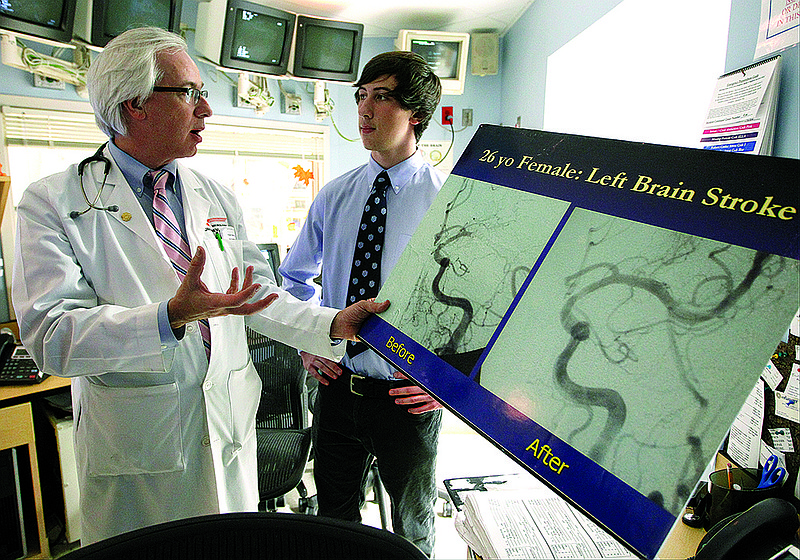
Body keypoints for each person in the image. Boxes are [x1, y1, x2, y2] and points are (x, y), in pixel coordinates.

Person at [10, 27, 386, 546]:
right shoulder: (51, 202)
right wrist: (168, 317)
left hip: (227, 424)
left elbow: (251, 294)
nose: (207, 110)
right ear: (135, 103)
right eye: (190, 93)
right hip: (139, 444)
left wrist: (330, 323)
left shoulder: (214, 195)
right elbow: (52, 338)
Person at [279, 50, 445, 556]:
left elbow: (479, 312)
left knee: (412, 528)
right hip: (337, 389)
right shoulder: (334, 196)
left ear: (416, 114)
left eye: (382, 97)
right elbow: (292, 279)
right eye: (360, 96)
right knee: (334, 525)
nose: (364, 110)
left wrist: (450, 387)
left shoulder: (447, 201)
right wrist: (310, 342)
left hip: (407, 397)